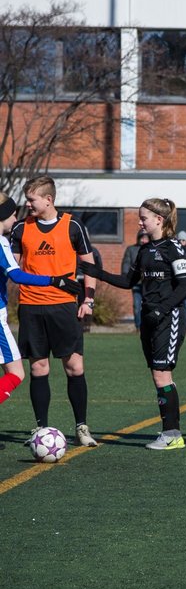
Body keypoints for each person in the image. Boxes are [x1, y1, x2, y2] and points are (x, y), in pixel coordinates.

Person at [79, 199, 186, 450]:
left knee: (162, 374)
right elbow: (128, 282)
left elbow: (185, 286)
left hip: (169, 318)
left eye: (143, 218)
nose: (140, 222)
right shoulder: (144, 250)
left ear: (159, 220)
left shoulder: (174, 248)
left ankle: (172, 434)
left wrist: (161, 310)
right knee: (158, 375)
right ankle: (170, 432)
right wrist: (97, 272)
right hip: (149, 318)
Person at [10, 176, 100, 448]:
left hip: (63, 307)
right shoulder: (19, 229)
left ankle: (82, 427)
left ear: (48, 200)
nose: (28, 204)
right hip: (31, 307)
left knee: (74, 367)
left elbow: (89, 266)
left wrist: (89, 300)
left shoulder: (73, 225)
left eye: (32, 199)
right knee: (38, 368)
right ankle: (41, 428)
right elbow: (13, 270)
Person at [0, 192, 80, 411]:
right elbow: (16, 275)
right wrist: (54, 280)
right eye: (13, 215)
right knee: (16, 373)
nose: (15, 220)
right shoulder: (1, 242)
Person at [121, 230, 148, 330]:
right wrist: (125, 274)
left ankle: (147, 326)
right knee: (137, 306)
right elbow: (126, 263)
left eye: (146, 238)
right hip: (136, 283)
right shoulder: (131, 249)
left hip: (148, 284)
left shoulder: (151, 249)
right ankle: (138, 327)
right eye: (142, 238)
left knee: (148, 306)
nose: (144, 240)